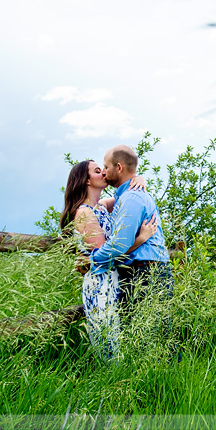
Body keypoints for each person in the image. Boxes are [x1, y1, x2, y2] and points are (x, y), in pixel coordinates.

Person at [60, 159, 157, 359]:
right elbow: (107, 254)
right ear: (86, 180)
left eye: (104, 169)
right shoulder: (83, 214)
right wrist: (141, 238)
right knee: (109, 340)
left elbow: (130, 194)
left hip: (114, 279)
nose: (104, 173)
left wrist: (138, 178)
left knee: (122, 335)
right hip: (100, 282)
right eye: (98, 171)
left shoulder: (101, 207)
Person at [89, 145, 173, 335]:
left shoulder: (132, 198)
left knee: (144, 338)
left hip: (143, 271)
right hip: (149, 268)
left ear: (118, 168)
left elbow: (120, 244)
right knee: (155, 335)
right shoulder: (126, 196)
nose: (103, 172)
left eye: (106, 167)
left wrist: (92, 259)